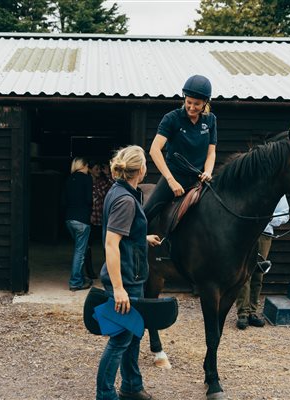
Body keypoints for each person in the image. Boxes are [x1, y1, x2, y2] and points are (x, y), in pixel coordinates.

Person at [96, 146, 162, 400]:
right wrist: (119, 288)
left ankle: (132, 387)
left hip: (132, 276)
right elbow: (111, 244)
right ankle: (105, 394)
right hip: (124, 280)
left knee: (133, 333)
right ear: (141, 169)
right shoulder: (125, 200)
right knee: (120, 340)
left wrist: (142, 238)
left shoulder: (123, 191)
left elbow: (122, 236)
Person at [143, 74, 218, 223]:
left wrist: (208, 171)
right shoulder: (171, 118)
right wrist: (170, 180)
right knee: (145, 215)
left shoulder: (211, 120)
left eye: (197, 104)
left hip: (198, 179)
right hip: (174, 176)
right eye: (188, 102)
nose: (191, 107)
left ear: (205, 103)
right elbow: (154, 149)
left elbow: (211, 152)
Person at [236, 195, 290, 330]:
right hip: (244, 232)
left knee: (258, 273)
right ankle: (242, 313)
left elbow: (285, 215)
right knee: (244, 272)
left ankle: (252, 312)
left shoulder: (279, 193)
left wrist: (270, 218)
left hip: (265, 234)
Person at [64, 157, 93, 291]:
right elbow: (88, 199)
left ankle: (80, 278)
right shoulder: (87, 179)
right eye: (88, 167)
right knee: (80, 252)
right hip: (82, 220)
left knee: (79, 249)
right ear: (84, 166)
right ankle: (75, 282)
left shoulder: (69, 179)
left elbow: (63, 200)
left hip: (69, 219)